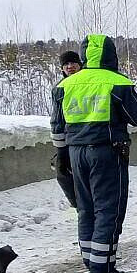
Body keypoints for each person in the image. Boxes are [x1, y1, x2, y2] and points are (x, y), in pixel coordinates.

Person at [50, 35, 137, 273]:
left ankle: (90, 260)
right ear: (111, 55)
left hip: (75, 153)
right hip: (107, 152)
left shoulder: (66, 85)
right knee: (109, 209)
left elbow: (57, 125)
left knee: (86, 209)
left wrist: (62, 153)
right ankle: (102, 268)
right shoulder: (117, 82)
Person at [52, 51, 83, 209]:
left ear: (80, 64)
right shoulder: (59, 89)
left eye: (73, 63)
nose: (70, 67)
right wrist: (60, 148)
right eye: (66, 64)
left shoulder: (87, 83)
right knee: (62, 174)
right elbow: (57, 119)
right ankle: (79, 205)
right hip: (68, 139)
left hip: (85, 139)